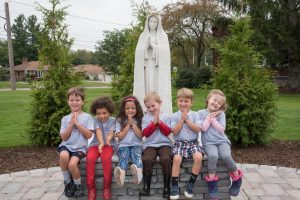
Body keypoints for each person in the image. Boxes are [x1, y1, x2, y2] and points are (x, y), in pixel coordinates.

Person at [198, 89, 243, 199]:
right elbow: (203, 128)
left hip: (222, 141)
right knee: (213, 156)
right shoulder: (200, 113)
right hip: (208, 142)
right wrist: (209, 118)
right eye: (214, 100)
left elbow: (222, 129)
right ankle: (212, 185)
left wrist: (214, 120)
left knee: (226, 156)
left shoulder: (221, 114)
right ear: (209, 99)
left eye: (219, 103)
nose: (216, 103)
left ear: (221, 106)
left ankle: (237, 179)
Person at [57, 87, 94, 198]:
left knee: (72, 164)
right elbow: (64, 137)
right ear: (68, 101)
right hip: (66, 145)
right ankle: (68, 182)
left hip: (79, 148)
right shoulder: (65, 119)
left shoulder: (87, 118)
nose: (74, 103)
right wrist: (71, 124)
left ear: (83, 101)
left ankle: (78, 186)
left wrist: (77, 124)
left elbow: (89, 135)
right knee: (63, 156)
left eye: (77, 100)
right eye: (72, 100)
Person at [133, 14, 172, 114]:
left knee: (157, 86)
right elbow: (138, 51)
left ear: (158, 23)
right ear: (147, 23)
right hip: (146, 66)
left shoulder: (163, 36)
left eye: (155, 22)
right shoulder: (143, 36)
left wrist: (154, 46)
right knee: (147, 86)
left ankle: (160, 109)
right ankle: (145, 108)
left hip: (157, 67)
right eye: (151, 21)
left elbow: (165, 51)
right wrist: (145, 47)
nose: (153, 24)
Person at [170, 88, 203, 200]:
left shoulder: (195, 115)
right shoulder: (174, 116)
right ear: (177, 102)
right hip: (179, 143)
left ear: (191, 102)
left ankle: (191, 183)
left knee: (198, 157)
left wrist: (187, 120)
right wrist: (181, 119)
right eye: (180, 101)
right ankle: (174, 185)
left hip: (193, 143)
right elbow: (174, 132)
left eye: (186, 101)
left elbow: (197, 129)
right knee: (177, 159)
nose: (183, 104)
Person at [139, 92, 173, 198]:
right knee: (146, 159)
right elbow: (146, 133)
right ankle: (146, 187)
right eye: (148, 107)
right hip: (150, 144)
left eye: (153, 106)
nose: (151, 109)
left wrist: (160, 123)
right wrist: (153, 123)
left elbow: (168, 132)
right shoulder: (145, 118)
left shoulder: (167, 116)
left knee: (166, 159)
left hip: (164, 143)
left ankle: (167, 188)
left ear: (160, 103)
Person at [86, 96, 116, 200]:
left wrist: (106, 142)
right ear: (95, 112)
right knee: (90, 158)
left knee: (106, 159)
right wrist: (100, 142)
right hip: (95, 144)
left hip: (108, 145)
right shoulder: (95, 120)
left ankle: (106, 188)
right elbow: (98, 131)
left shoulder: (113, 120)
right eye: (98, 113)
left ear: (109, 111)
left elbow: (112, 132)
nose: (101, 116)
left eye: (104, 113)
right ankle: (91, 189)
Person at [114, 96, 144, 187]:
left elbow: (140, 136)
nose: (130, 110)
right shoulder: (119, 120)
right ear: (123, 109)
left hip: (136, 144)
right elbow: (120, 137)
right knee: (124, 156)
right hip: (123, 145)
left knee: (137, 155)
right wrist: (128, 125)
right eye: (127, 108)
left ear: (137, 109)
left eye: (132, 108)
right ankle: (121, 174)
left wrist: (133, 125)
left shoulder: (140, 119)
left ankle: (138, 173)